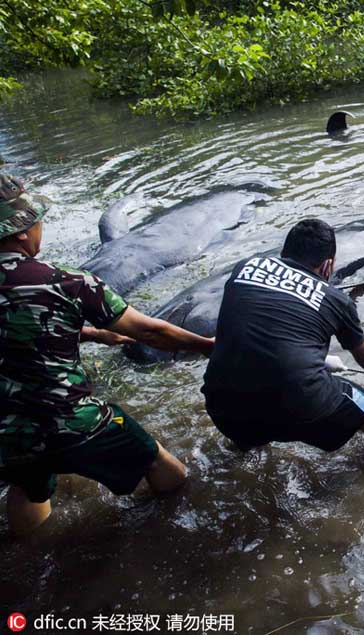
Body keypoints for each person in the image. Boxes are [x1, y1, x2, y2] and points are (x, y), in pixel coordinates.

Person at [0, 175, 215, 537]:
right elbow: (149, 331)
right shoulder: (66, 281)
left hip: (8, 433)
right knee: (159, 460)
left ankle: (30, 558)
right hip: (72, 419)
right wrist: (207, 345)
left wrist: (92, 333)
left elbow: (16, 329)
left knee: (26, 487)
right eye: (36, 220)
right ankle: (177, 530)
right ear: (21, 230)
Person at [202, 218, 364, 459]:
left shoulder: (245, 268)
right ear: (328, 265)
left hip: (222, 408)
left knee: (249, 393)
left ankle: (242, 453)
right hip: (297, 408)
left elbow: (265, 330)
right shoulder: (335, 299)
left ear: (284, 252)